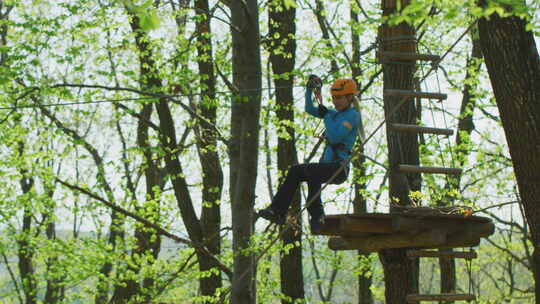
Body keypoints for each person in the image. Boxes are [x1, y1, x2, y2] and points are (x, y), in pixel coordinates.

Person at [259, 76, 363, 232]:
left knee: (297, 170)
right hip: (327, 166)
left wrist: (326, 115)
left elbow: (335, 137)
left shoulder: (352, 116)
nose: (335, 101)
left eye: (339, 98)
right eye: (333, 98)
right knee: (311, 178)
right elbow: (309, 109)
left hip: (338, 167)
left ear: (350, 97)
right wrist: (309, 91)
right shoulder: (335, 114)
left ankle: (278, 211)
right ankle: (317, 219)